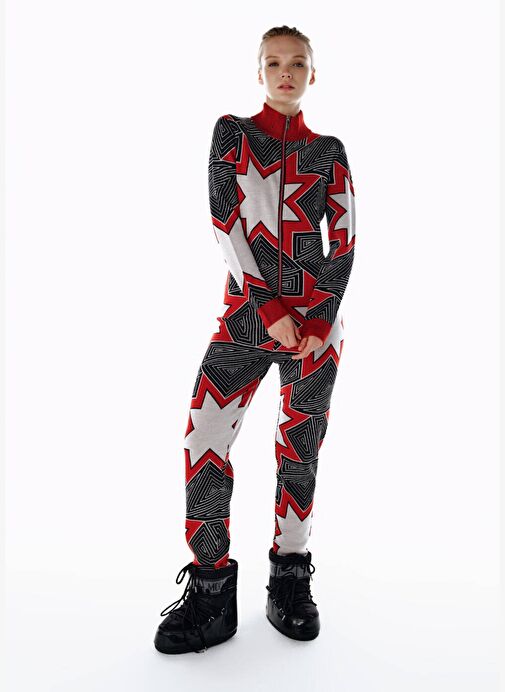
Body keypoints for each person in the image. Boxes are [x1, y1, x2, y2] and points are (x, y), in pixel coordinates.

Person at [154, 24, 356, 655]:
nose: (285, 72)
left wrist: (319, 319)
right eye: (274, 63)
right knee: (204, 438)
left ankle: (289, 581)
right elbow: (226, 220)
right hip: (246, 319)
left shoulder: (329, 151)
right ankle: (211, 593)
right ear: (260, 72)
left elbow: (345, 238)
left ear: (313, 74)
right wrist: (268, 307)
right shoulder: (233, 135)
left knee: (300, 448)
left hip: (316, 328)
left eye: (297, 63)